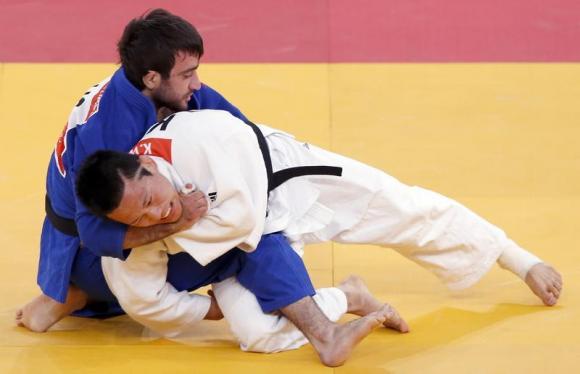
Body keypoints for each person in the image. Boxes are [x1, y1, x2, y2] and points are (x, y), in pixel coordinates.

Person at [76, 109, 563, 324]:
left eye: (153, 200)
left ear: (146, 166)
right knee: (261, 332)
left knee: (398, 204)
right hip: (261, 239)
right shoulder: (134, 226)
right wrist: (177, 233)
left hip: (287, 176)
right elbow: (142, 292)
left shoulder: (200, 142)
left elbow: (242, 220)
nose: (156, 213)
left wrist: (174, 229)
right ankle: (346, 298)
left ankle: (516, 258)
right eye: (140, 218)